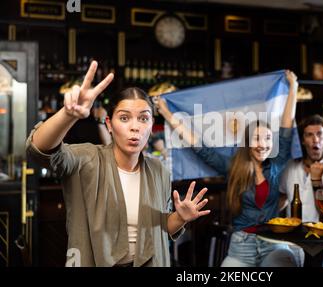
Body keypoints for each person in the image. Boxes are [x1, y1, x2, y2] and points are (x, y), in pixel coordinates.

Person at [26, 61, 210, 267]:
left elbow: (162, 227)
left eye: (143, 118)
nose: (134, 127)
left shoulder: (159, 170)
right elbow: (39, 150)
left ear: (151, 126)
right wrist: (68, 115)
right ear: (109, 125)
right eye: (124, 118)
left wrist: (181, 217)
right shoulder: (87, 159)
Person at [155, 70, 300, 267]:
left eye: (267, 138)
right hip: (241, 246)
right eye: (257, 138)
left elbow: (286, 127)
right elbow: (199, 147)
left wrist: (293, 88)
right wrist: (167, 114)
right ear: (248, 142)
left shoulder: (277, 162)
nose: (263, 144)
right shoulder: (233, 167)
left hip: (273, 243)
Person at [279, 115, 323, 266]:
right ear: (302, 140)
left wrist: (317, 181)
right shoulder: (290, 166)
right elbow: (282, 198)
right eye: (309, 135)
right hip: (292, 245)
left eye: (319, 134)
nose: (315, 140)